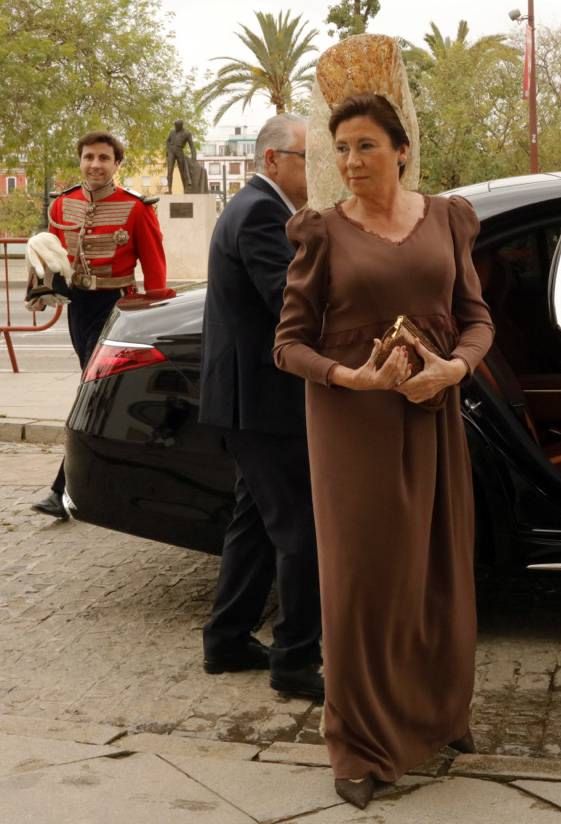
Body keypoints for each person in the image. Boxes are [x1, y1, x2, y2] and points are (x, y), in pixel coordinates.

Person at [273, 92, 495, 808]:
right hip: (351, 430)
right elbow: (287, 345)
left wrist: (453, 368)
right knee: (363, 587)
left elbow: (475, 319)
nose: (350, 161)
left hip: (433, 417)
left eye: (365, 145)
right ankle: (359, 748)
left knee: (437, 571)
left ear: (401, 150)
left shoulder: (447, 219)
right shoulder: (321, 232)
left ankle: (439, 715)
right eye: (340, 149)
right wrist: (353, 375)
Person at [199, 114, 323, 701]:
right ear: (272, 160)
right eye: (307, 156)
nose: (316, 168)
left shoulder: (260, 209)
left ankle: (226, 640)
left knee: (254, 526)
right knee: (301, 528)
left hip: (250, 401)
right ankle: (296, 662)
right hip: (263, 404)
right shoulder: (259, 214)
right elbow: (289, 303)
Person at [31, 131, 167, 519]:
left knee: (93, 394)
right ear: (80, 160)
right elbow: (53, 257)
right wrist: (41, 292)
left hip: (117, 309)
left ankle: (63, 490)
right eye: (89, 156)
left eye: (104, 158)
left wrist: (155, 315)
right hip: (78, 308)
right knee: (98, 396)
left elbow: (155, 268)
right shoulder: (63, 204)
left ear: (116, 164)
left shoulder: (136, 208)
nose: (95, 164)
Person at [166, 119, 196, 193]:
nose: (175, 128)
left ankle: (185, 189)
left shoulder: (187, 133)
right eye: (175, 126)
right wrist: (167, 149)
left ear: (181, 126)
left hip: (179, 151)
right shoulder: (172, 132)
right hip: (171, 151)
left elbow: (192, 146)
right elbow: (167, 141)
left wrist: (194, 158)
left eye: (177, 126)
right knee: (169, 171)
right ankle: (169, 190)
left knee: (182, 171)